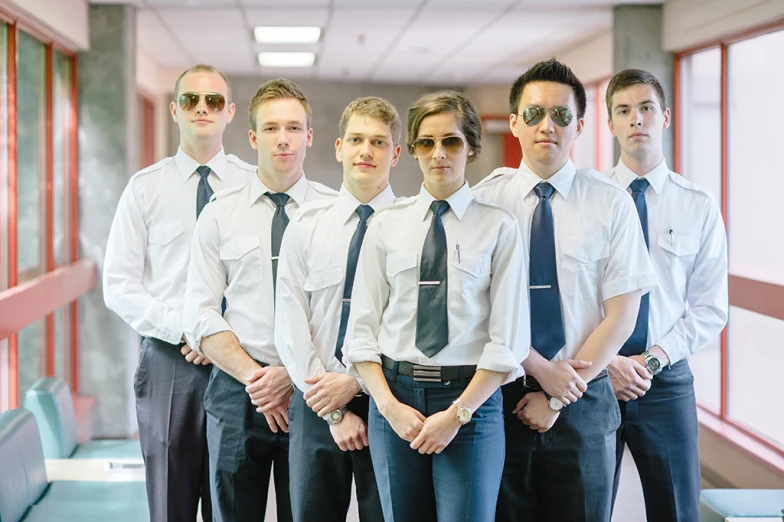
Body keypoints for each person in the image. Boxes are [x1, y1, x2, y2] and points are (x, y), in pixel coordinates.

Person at [472, 58, 657, 522]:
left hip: (585, 405)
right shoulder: (484, 203)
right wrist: (536, 367)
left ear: (579, 124)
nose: (546, 126)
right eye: (533, 114)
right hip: (499, 394)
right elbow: (475, 307)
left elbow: (622, 314)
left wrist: (559, 394)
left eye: (560, 115)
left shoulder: (610, 203)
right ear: (514, 123)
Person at [344, 90, 530, 522]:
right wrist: (388, 407)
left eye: (451, 142)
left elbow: (508, 341)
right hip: (395, 398)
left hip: (471, 405)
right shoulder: (387, 225)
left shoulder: (499, 227)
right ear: (411, 150)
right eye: (426, 143)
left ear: (472, 148)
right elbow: (362, 333)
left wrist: (457, 414)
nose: (438, 154)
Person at [182, 78, 336, 522]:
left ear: (310, 136)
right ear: (252, 138)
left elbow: (345, 314)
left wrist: (291, 375)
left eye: (293, 127)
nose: (282, 139)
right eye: (270, 129)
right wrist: (259, 380)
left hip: (311, 394)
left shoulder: (333, 215)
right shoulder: (219, 213)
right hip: (237, 390)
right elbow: (200, 312)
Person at [103, 64, 252, 522]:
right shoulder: (145, 189)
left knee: (235, 501)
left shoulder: (254, 186)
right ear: (174, 110)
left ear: (229, 112)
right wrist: (187, 331)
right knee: (171, 503)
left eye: (213, 101)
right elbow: (119, 284)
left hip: (241, 363)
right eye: (191, 100)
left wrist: (221, 341)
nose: (201, 108)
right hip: (170, 362)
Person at [605, 68, 728, 522]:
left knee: (677, 509)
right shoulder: (590, 199)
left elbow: (711, 306)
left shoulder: (697, 204)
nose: (636, 119)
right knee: (581, 506)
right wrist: (610, 362)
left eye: (646, 108)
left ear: (666, 117)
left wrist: (651, 359)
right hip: (596, 378)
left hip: (667, 381)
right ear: (612, 123)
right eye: (624, 111)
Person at [275, 96, 402, 522]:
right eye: (356, 139)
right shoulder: (307, 226)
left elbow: (409, 325)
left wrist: (355, 383)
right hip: (315, 403)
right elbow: (290, 324)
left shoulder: (413, 228)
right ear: (338, 147)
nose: (366, 150)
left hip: (390, 403)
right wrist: (332, 407)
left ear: (396, 153)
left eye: (379, 142)